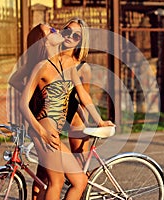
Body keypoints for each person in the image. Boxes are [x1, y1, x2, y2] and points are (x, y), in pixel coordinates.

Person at [18, 23, 114, 200]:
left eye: (74, 35)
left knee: (80, 181)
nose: (63, 34)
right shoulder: (42, 66)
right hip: (44, 129)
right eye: (55, 31)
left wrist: (100, 121)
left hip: (54, 132)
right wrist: (42, 132)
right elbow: (23, 104)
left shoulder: (69, 64)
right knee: (57, 181)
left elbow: (83, 94)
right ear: (46, 40)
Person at [61, 17, 91, 166]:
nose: (70, 36)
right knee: (45, 170)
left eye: (76, 35)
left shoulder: (82, 68)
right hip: (51, 116)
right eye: (67, 31)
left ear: (81, 40)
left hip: (73, 115)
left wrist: (87, 125)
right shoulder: (49, 57)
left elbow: (84, 96)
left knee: (82, 163)